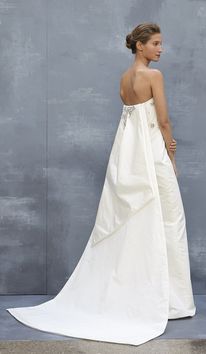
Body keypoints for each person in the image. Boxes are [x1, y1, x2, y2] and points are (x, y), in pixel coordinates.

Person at [6, 22, 196, 346]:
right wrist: (171, 151)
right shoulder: (154, 77)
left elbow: (132, 118)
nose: (161, 49)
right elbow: (162, 120)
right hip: (150, 155)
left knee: (138, 222)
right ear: (140, 46)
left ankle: (151, 294)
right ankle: (173, 301)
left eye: (161, 43)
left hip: (127, 156)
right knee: (170, 220)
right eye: (156, 43)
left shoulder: (124, 80)